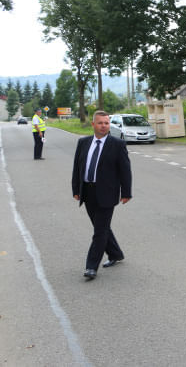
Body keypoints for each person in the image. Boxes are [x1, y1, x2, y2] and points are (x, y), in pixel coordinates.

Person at [71, 110, 132, 280]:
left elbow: (125, 170)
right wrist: (76, 189)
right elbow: (77, 167)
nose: (104, 126)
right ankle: (115, 253)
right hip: (88, 192)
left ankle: (91, 267)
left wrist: (126, 192)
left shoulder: (117, 144)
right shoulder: (83, 142)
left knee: (99, 231)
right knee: (102, 228)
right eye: (100, 123)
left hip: (107, 193)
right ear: (93, 124)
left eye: (106, 123)